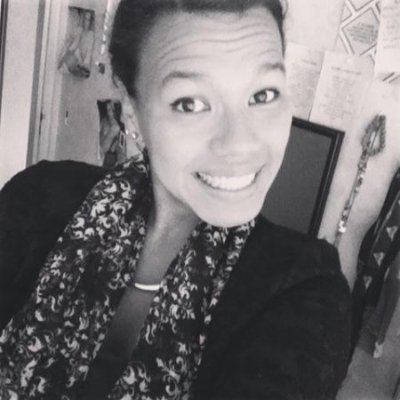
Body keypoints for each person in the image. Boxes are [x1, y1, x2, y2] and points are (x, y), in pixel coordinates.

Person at [0, 0, 351, 399]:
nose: (240, 144)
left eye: (263, 94)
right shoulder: (38, 199)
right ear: (131, 112)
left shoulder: (305, 288)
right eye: (191, 103)